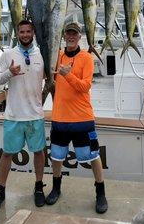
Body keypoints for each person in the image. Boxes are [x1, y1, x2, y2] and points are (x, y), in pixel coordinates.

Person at [45, 22, 108, 214]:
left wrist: (68, 75)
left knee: (93, 156)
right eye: (68, 34)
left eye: (74, 34)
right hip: (60, 118)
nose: (71, 37)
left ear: (79, 37)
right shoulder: (57, 57)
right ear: (64, 36)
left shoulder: (86, 58)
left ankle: (101, 193)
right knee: (56, 157)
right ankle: (56, 188)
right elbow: (47, 78)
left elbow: (84, 87)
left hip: (82, 118)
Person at [0, 19, 46, 213]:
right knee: (7, 154)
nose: (25, 35)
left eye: (28, 31)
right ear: (18, 33)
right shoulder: (8, 55)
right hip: (13, 115)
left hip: (35, 115)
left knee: (38, 152)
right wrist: (9, 73)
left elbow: (48, 79)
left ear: (33, 33)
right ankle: (0, 190)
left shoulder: (41, 54)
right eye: (21, 32)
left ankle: (39, 186)